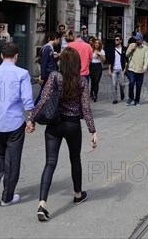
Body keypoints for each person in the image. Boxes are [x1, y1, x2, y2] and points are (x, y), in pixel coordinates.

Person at [29, 48, 97, 221]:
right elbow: (86, 107)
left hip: (54, 124)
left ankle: (42, 204)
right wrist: (92, 130)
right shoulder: (82, 81)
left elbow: (43, 98)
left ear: (62, 63)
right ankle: (77, 194)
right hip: (73, 125)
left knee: (50, 163)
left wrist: (32, 119)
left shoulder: (54, 77)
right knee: (75, 159)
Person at [0, 43, 35, 206]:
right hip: (15, 123)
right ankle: (7, 197)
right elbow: (27, 100)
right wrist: (31, 119)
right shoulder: (22, 74)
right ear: (16, 56)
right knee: (13, 160)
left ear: (1, 56)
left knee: (1, 154)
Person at [37, 32, 60, 105]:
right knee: (44, 92)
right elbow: (43, 63)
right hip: (47, 73)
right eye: (59, 40)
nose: (58, 42)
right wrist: (42, 77)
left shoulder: (49, 47)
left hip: (48, 72)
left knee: (45, 91)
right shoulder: (47, 48)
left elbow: (50, 61)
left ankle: (37, 109)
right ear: (56, 39)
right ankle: (35, 108)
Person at [125, 37, 148, 106]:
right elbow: (126, 55)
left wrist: (145, 67)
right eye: (136, 40)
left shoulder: (145, 48)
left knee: (139, 86)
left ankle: (137, 100)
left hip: (140, 70)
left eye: (138, 40)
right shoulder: (132, 45)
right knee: (131, 83)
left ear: (141, 40)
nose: (137, 41)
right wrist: (131, 50)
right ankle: (131, 97)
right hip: (132, 68)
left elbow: (146, 58)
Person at [107, 35, 127, 104]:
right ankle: (115, 99)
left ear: (121, 41)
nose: (116, 41)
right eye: (115, 40)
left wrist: (125, 69)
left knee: (122, 84)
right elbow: (110, 61)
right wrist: (109, 69)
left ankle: (122, 93)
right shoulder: (112, 49)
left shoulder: (124, 49)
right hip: (114, 69)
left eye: (117, 39)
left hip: (121, 69)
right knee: (114, 84)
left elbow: (126, 60)